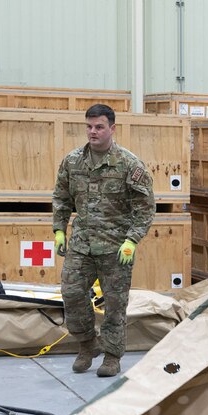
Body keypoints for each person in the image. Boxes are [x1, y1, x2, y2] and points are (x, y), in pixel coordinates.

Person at [52, 103, 156, 377]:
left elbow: (145, 207)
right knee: (71, 293)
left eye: (99, 127)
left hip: (115, 248)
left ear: (112, 128)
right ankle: (87, 344)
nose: (92, 132)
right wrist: (59, 230)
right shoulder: (72, 161)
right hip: (82, 243)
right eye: (89, 126)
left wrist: (132, 240)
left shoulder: (129, 164)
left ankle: (112, 356)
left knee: (114, 304)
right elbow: (61, 198)